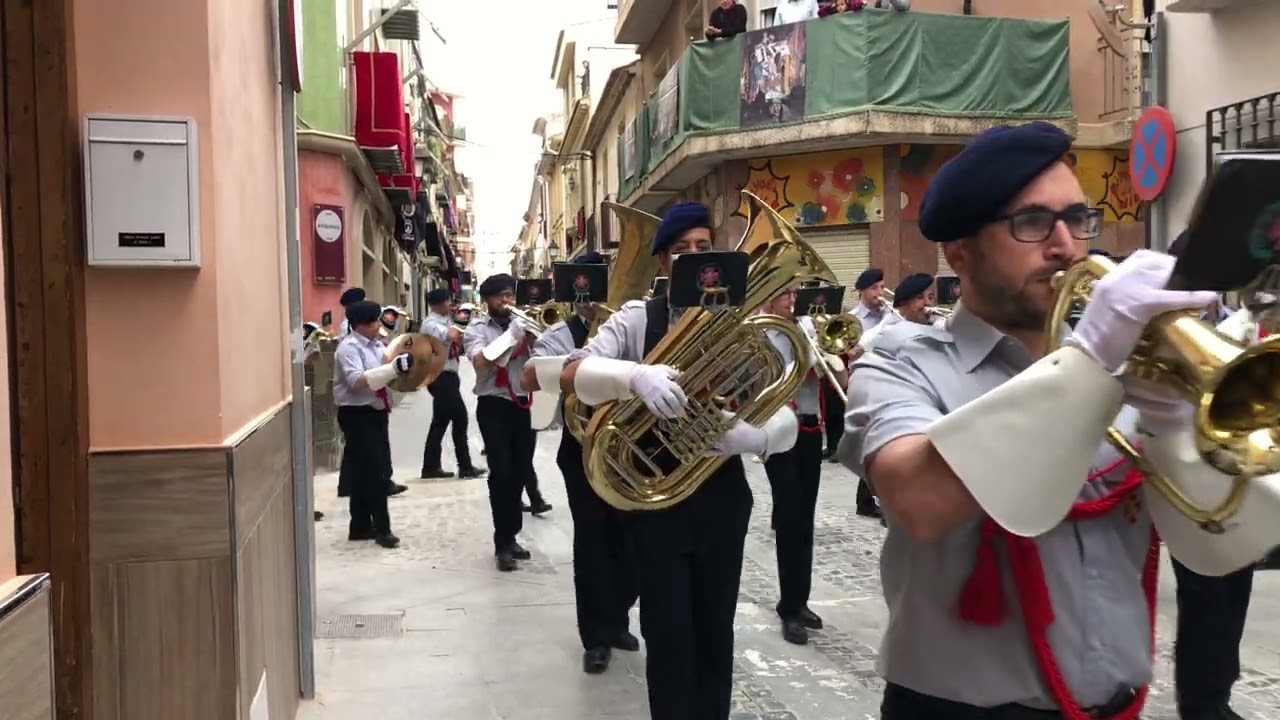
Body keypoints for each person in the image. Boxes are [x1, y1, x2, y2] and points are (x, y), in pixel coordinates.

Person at [840, 121, 1236, 719]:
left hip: (1116, 704)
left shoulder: (1131, 361)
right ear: (961, 253)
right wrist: (1092, 360)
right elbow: (917, 502)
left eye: (1077, 220)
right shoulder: (900, 364)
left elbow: (1221, 545)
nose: (1066, 246)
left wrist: (1184, 432)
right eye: (1032, 223)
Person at [557, 201, 799, 719]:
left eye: (704, 247)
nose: (696, 258)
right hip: (653, 497)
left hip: (720, 496)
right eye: (682, 249)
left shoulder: (743, 324)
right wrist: (633, 377)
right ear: (664, 261)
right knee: (667, 631)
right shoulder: (634, 318)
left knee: (716, 628)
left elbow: (786, 415)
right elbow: (573, 370)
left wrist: (752, 437)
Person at [521, 251, 640, 674]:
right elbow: (532, 377)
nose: (591, 298)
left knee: (631, 542)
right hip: (582, 446)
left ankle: (618, 617)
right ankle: (595, 636)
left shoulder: (631, 325)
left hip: (630, 447)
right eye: (583, 289)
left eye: (600, 285)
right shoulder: (558, 334)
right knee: (592, 543)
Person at [1164, 232, 1254, 720]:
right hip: (1188, 478)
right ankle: (1200, 703)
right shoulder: (1167, 323)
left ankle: (1219, 690)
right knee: (1204, 594)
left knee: (1235, 589)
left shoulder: (1229, 320)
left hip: (1236, 472)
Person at [761, 288, 846, 646]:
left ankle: (800, 599)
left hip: (811, 429)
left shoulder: (812, 328)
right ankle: (789, 608)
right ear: (769, 299)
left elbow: (839, 381)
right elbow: (762, 383)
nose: (791, 300)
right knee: (791, 516)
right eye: (783, 294)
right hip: (778, 430)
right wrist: (803, 361)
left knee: (805, 518)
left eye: (795, 293)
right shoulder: (762, 335)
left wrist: (833, 356)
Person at [463, 274, 539, 572]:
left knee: (520, 473)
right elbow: (481, 362)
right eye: (499, 297)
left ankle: (513, 535)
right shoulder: (476, 329)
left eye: (509, 295)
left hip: (522, 405)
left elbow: (544, 357)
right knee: (502, 473)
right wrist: (511, 337)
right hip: (493, 405)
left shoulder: (523, 323)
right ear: (486, 300)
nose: (506, 302)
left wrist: (533, 335)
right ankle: (502, 542)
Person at [333, 299, 409, 549]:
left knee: (362, 473)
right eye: (376, 321)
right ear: (361, 324)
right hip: (356, 414)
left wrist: (401, 366)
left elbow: (387, 370)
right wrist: (392, 369)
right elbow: (356, 381)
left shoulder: (377, 345)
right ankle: (383, 530)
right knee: (376, 474)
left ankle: (360, 526)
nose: (380, 324)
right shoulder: (348, 348)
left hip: (375, 412)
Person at [420, 288, 486, 480]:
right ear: (440, 303)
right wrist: (463, 314)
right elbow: (451, 336)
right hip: (441, 376)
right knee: (460, 419)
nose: (451, 305)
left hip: (449, 374)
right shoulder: (431, 323)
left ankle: (430, 466)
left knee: (440, 422)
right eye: (449, 301)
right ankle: (464, 467)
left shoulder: (444, 321)